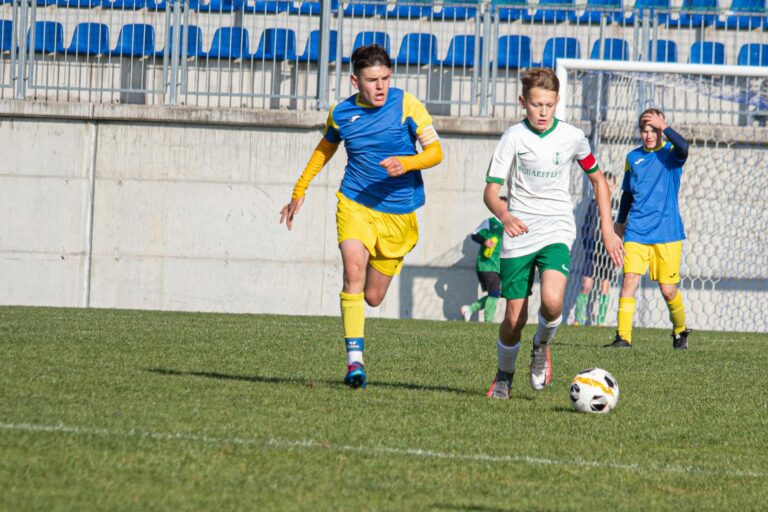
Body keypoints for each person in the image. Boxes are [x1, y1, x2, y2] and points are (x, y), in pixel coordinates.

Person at [279, 45, 443, 389]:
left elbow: (435, 152)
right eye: (372, 80)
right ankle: (355, 361)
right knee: (352, 266)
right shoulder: (341, 113)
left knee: (372, 297)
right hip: (355, 202)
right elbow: (325, 149)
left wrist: (408, 162)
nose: (380, 86)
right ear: (355, 81)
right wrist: (299, 189)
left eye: (385, 78)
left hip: (399, 215)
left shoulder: (406, 104)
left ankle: (379, 268)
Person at [483, 67, 624, 399]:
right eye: (535, 104)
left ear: (557, 102)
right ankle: (504, 374)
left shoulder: (573, 137)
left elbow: (598, 180)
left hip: (557, 228)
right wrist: (504, 215)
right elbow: (491, 191)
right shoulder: (513, 137)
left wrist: (607, 227)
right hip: (519, 233)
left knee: (552, 300)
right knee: (514, 317)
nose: (542, 112)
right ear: (523, 102)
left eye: (548, 105)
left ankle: (541, 345)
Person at [606, 109, 691, 350]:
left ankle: (680, 330)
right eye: (645, 130)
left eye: (653, 130)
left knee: (667, 290)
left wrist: (664, 127)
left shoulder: (671, 156)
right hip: (637, 232)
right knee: (629, 280)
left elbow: (684, 147)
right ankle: (623, 337)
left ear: (661, 130)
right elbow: (627, 194)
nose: (649, 135)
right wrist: (620, 223)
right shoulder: (633, 158)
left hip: (667, 234)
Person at [573, 172, 620, 326]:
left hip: (608, 253)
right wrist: (588, 245)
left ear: (614, 187)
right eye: (604, 185)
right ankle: (578, 319)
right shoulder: (593, 204)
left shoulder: (616, 206)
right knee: (586, 284)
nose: (607, 188)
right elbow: (585, 228)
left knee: (604, 286)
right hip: (592, 251)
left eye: (610, 185)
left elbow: (620, 228)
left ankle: (600, 321)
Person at [460, 198, 508, 323]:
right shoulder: (490, 222)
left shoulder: (508, 225)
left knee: (498, 293)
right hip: (486, 264)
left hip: (500, 266)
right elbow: (475, 234)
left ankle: (469, 309)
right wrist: (485, 241)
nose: (505, 209)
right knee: (494, 293)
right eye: (502, 206)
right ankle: (488, 322)